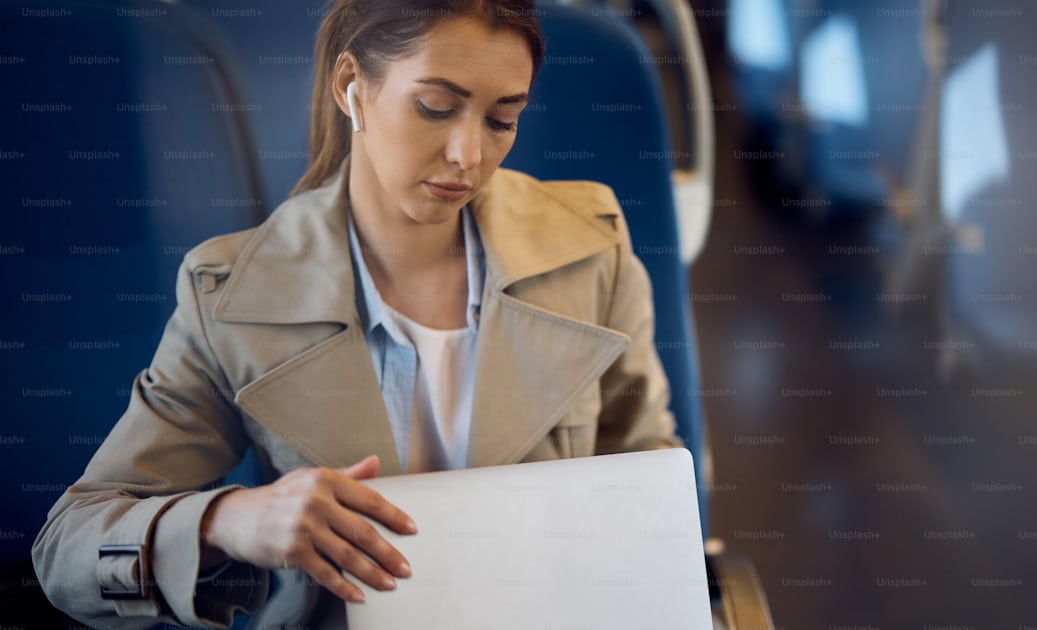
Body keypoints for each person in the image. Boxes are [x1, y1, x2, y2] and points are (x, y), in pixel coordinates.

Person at [31, 0, 679, 627]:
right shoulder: (231, 296)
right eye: (435, 107)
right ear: (352, 86)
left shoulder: (593, 249)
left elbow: (650, 489)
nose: (468, 155)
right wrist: (228, 520)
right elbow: (67, 549)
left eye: (501, 120)